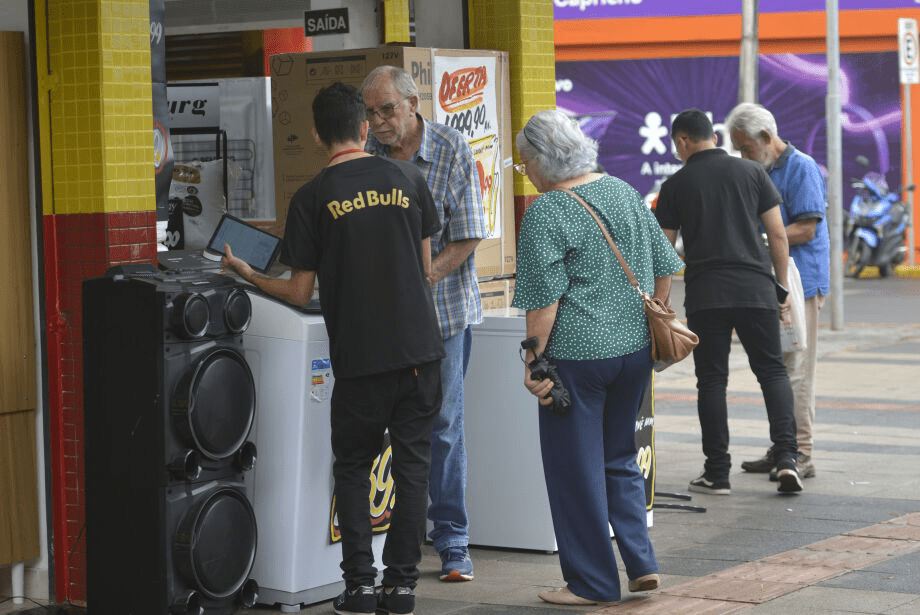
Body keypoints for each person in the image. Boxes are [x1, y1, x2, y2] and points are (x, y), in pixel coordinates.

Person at [221, 82, 445, 615]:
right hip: (420, 352)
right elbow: (422, 270)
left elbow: (299, 291)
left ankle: (361, 589)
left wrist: (250, 274)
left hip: (362, 358)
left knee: (352, 468)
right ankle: (403, 589)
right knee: (412, 469)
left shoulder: (313, 196)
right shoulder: (410, 178)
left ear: (319, 134)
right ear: (365, 128)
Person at [512, 109, 685, 606]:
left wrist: (533, 362)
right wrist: (651, 315)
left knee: (574, 469)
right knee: (619, 458)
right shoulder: (622, 190)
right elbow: (665, 265)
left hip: (577, 360)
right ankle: (641, 564)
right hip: (633, 353)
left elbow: (543, 299)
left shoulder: (549, 209)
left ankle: (591, 582)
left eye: (526, 163)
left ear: (545, 159)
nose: (526, 172)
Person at [360, 65, 487, 582]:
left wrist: (424, 277)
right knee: (387, 427)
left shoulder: (453, 148)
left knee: (443, 427)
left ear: (413, 103)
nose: (379, 121)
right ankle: (397, 540)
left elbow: (471, 233)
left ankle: (453, 540)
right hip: (383, 323)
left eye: (387, 109)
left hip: (443, 316)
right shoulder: (367, 155)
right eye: (370, 112)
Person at [654, 108, 804, 495]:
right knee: (772, 372)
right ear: (716, 138)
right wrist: (781, 288)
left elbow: (665, 253)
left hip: (708, 295)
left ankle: (717, 473)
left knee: (712, 381)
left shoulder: (676, 185)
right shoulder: (754, 173)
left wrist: (661, 305)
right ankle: (788, 460)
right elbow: (778, 236)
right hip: (756, 289)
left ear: (683, 141)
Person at [725, 102, 829, 480]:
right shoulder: (761, 172)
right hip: (774, 280)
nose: (743, 156)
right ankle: (782, 446)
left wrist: (762, 238)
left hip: (804, 282)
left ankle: (801, 453)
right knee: (779, 368)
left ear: (767, 139)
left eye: (746, 148)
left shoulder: (800, 168)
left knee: (798, 370)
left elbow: (807, 228)